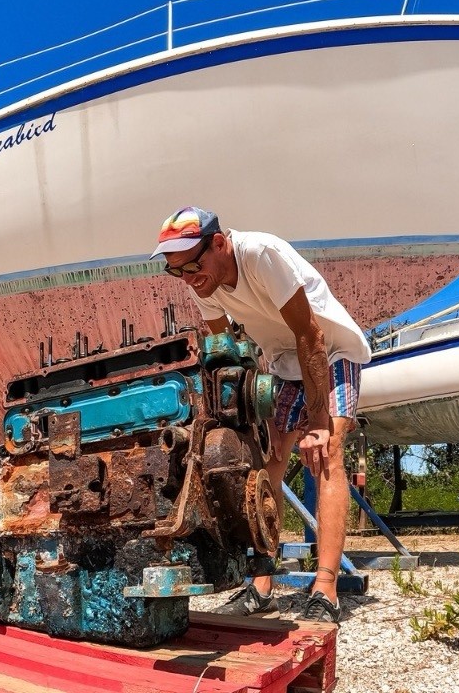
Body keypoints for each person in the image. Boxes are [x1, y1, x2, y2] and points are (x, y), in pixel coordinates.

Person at [150, 205, 372, 623]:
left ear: (219, 243)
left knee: (326, 456)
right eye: (176, 271)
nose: (189, 279)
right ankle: (262, 581)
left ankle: (325, 589)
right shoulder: (203, 282)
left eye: (193, 265)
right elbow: (226, 354)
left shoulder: (260, 254)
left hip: (330, 352)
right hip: (280, 363)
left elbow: (311, 334)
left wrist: (319, 423)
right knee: (264, 463)